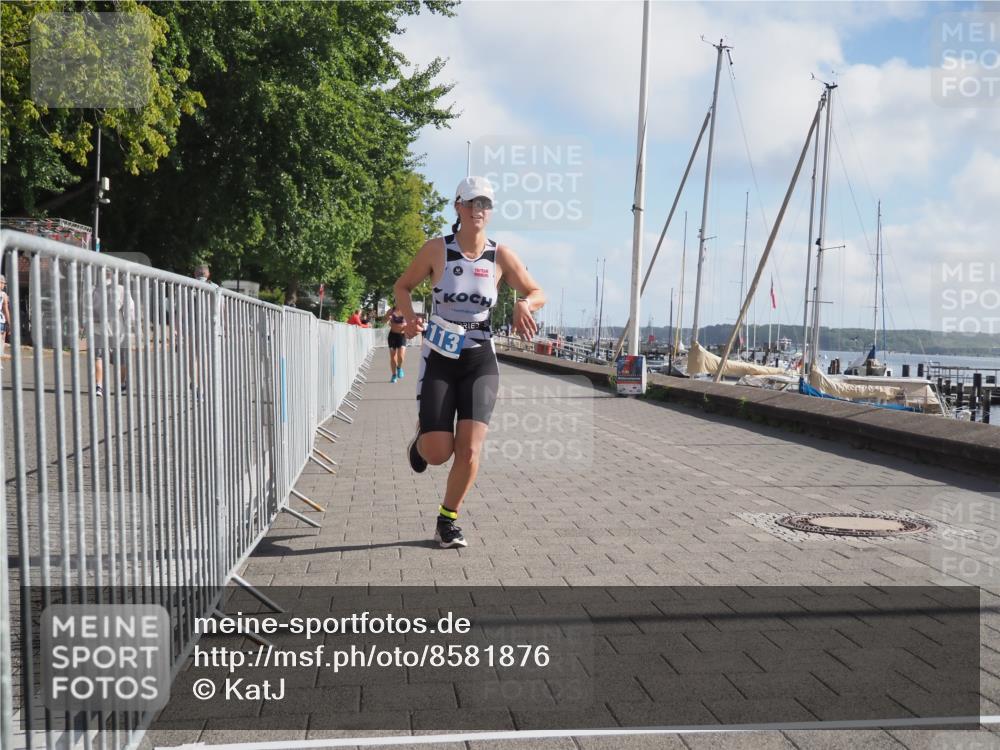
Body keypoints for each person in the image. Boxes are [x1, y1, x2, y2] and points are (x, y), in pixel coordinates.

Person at [393, 176, 545, 548]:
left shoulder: (501, 255)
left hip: (480, 359)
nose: (479, 210)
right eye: (472, 203)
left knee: (471, 448)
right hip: (440, 357)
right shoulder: (436, 250)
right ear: (458, 207)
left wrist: (525, 303)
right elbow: (403, 286)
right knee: (438, 452)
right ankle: (421, 441)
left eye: (486, 204)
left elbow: (536, 290)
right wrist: (409, 316)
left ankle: (448, 519)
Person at [92, 270, 135, 396]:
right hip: (117, 329)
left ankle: (99, 386)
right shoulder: (121, 289)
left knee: (98, 357)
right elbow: (129, 309)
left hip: (99, 327)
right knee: (121, 358)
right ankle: (122, 385)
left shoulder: (95, 290)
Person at [383, 305, 407, 383]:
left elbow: (411, 321)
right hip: (392, 335)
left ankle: (399, 368)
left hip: (402, 336)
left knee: (401, 357)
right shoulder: (391, 311)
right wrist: (387, 318)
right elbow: (383, 321)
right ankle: (394, 375)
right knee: (393, 357)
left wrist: (407, 325)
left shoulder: (405, 310)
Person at [0, 274, 10, 359]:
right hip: (1, 320)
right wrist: (9, 322)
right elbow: (5, 310)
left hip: (1, 320)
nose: (3, 285)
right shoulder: (3, 295)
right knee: (2, 339)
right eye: (2, 283)